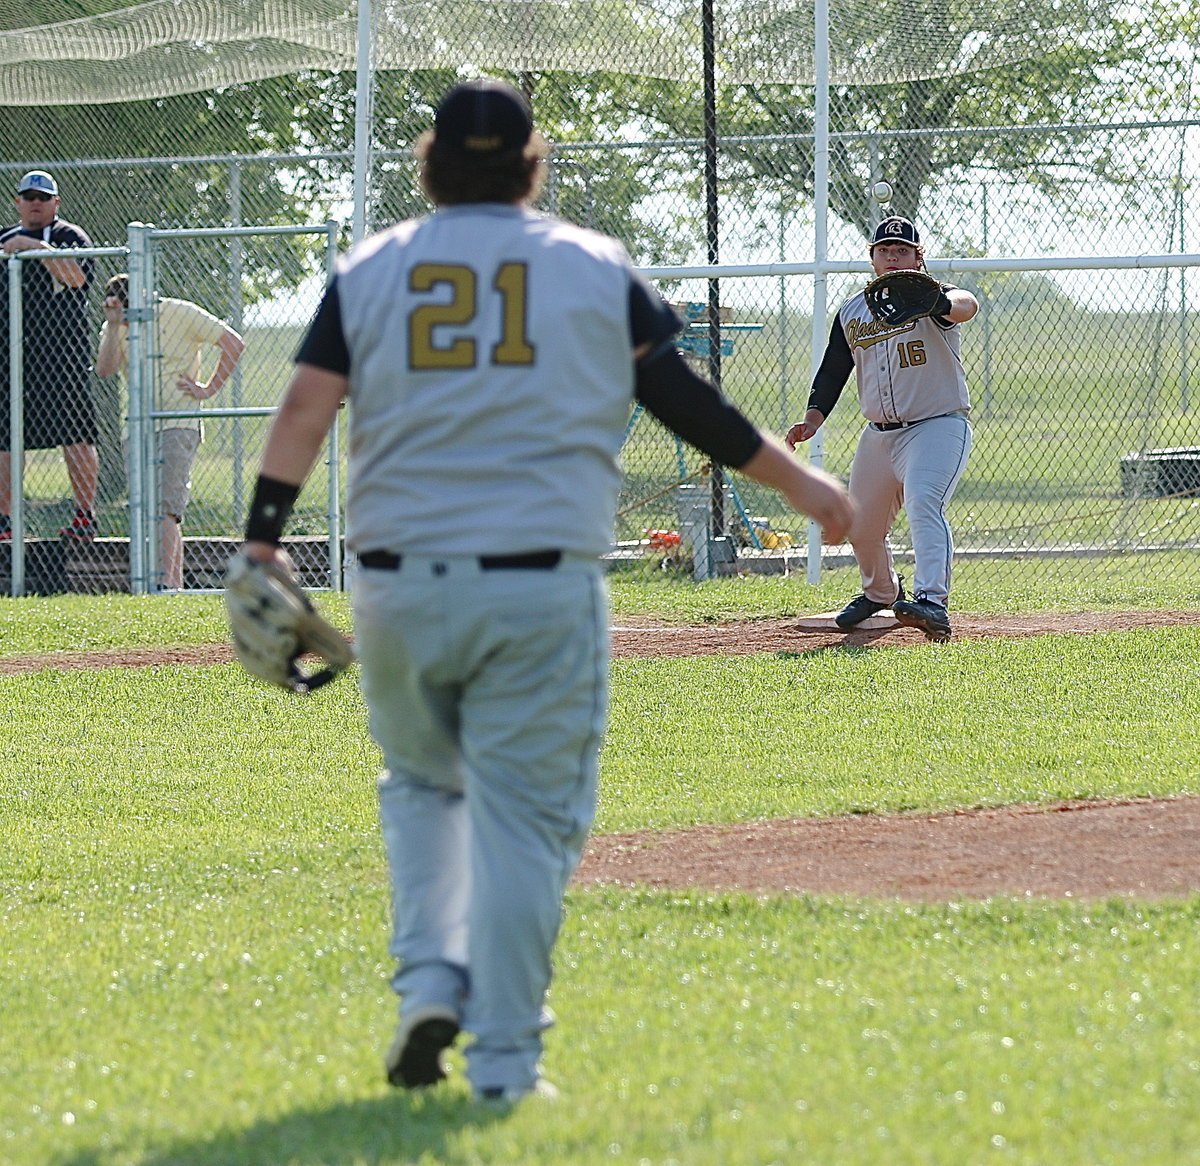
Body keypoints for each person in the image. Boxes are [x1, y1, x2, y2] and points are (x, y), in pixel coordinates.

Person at [228, 78, 852, 1105]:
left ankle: (430, 979)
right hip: (538, 583)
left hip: (398, 583)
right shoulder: (585, 261)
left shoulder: (374, 264)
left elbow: (304, 406)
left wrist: (259, 544)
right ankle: (507, 1061)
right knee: (523, 819)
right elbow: (680, 398)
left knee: (423, 785)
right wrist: (804, 482)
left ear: (431, 159)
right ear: (532, 161)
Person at [786, 216, 978, 641]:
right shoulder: (852, 310)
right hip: (878, 435)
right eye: (885, 250)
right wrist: (812, 419)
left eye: (903, 250)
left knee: (924, 502)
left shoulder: (932, 297)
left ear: (917, 258)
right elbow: (834, 368)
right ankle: (881, 592)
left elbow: (966, 304)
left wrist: (940, 304)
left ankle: (932, 601)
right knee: (861, 524)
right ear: (872, 258)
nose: (893, 256)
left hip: (936, 426)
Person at [96, 273, 245, 589]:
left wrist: (208, 389)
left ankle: (162, 585)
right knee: (150, 508)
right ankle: (171, 585)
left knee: (166, 507)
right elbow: (105, 369)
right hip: (137, 426)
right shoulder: (117, 326)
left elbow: (233, 343)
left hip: (178, 422)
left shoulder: (180, 311)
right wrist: (112, 324)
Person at [0, 170, 99, 542]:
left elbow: (75, 276)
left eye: (42, 197)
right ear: (18, 202)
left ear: (55, 202)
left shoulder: (69, 237)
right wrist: (15, 244)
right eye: (28, 197)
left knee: (76, 433)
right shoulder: (3, 238)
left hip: (63, 356)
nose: (35, 203)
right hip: (10, 355)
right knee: (5, 437)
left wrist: (33, 247)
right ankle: (4, 521)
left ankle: (85, 516)